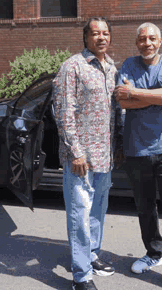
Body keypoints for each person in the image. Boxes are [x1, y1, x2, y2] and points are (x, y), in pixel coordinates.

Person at [114, 22, 162, 290]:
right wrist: (161, 96)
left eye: (152, 38)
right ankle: (153, 253)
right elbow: (122, 102)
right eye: (142, 39)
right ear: (137, 43)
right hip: (137, 149)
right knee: (145, 208)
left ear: (160, 41)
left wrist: (136, 92)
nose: (147, 43)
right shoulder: (128, 64)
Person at [52, 17, 121, 290]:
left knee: (97, 212)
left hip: (104, 156)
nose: (101, 38)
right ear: (85, 37)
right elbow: (63, 112)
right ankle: (80, 276)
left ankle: (91, 256)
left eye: (105, 33)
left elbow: (113, 114)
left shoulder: (111, 68)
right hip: (80, 158)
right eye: (95, 33)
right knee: (79, 215)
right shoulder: (73, 67)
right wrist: (75, 152)